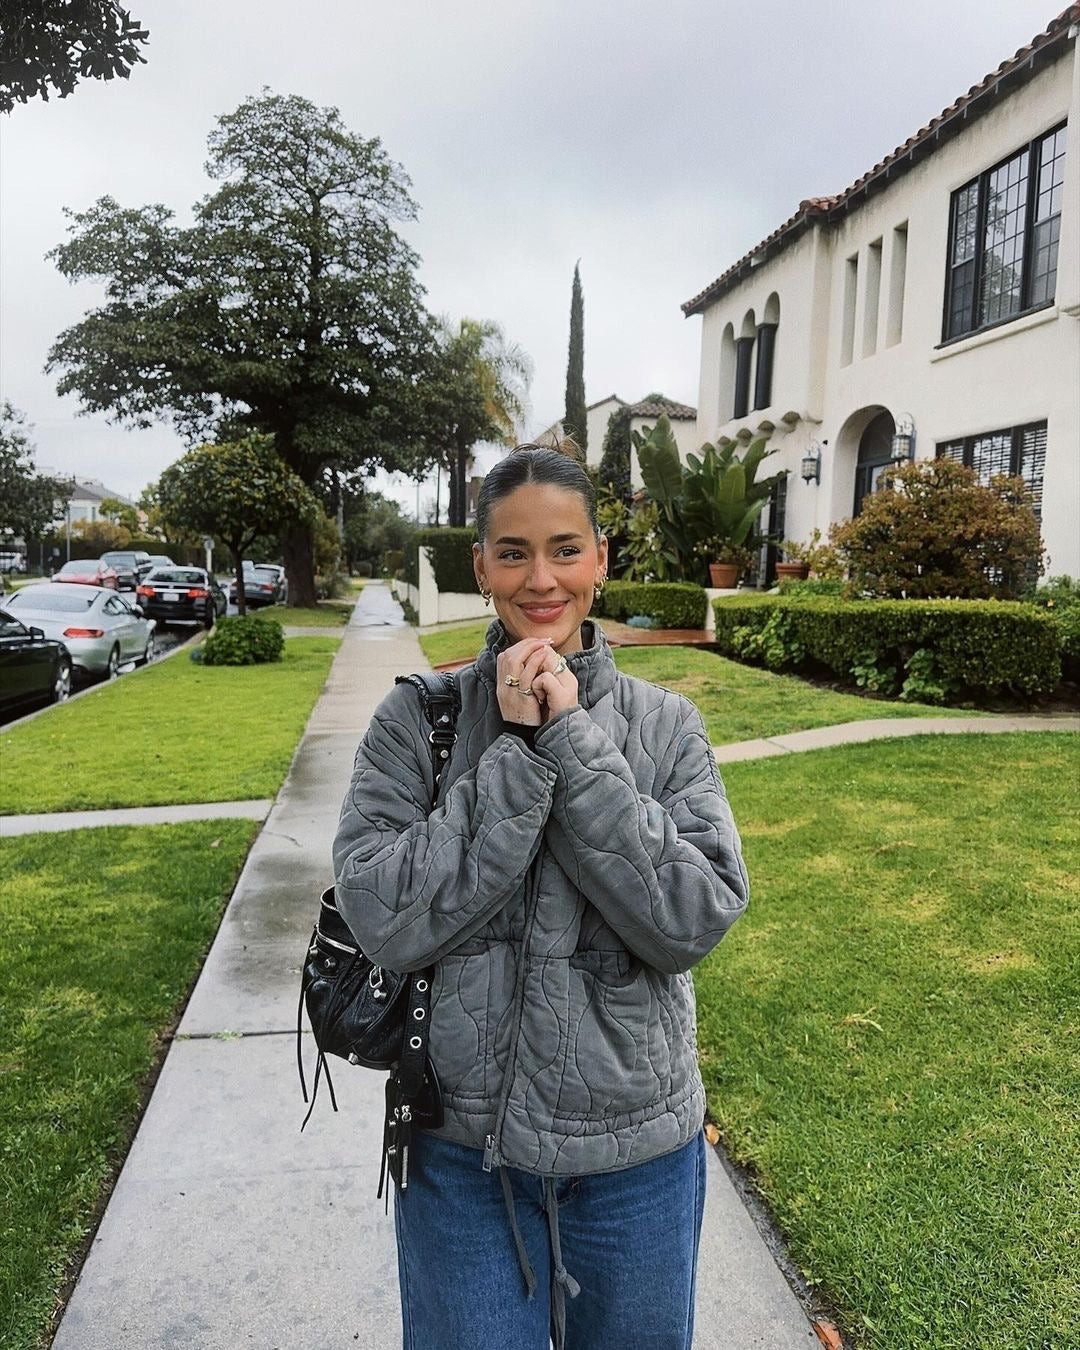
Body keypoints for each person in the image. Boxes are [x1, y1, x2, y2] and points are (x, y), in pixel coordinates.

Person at [333, 441, 750, 1350]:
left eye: (565, 549)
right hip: (460, 1163)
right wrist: (513, 761)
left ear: (600, 558)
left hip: (637, 1163)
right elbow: (381, 915)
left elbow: (694, 915)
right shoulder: (417, 722)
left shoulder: (667, 728)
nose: (541, 579)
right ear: (480, 566)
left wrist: (569, 740)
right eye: (513, 552)